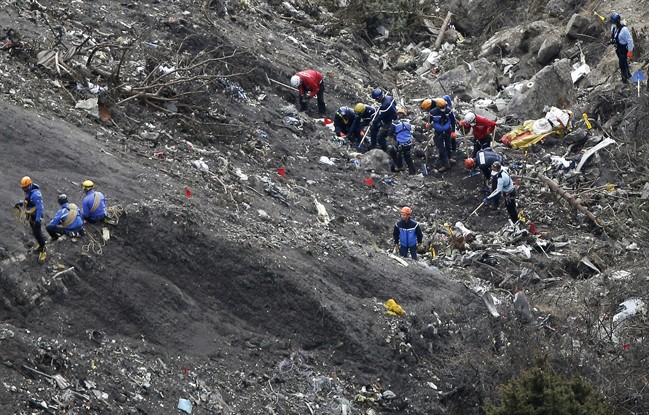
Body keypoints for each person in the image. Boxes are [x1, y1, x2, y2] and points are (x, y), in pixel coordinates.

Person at [14, 176, 47, 261]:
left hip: (35, 216)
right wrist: (21, 203)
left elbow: (40, 208)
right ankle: (41, 244)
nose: (24, 189)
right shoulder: (28, 191)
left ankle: (43, 249)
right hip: (31, 215)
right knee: (35, 232)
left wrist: (38, 220)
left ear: (30, 184)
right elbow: (28, 200)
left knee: (38, 233)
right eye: (23, 188)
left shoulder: (36, 195)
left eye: (26, 187)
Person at [426, 98, 456, 173]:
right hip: (438, 132)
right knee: (441, 148)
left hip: (447, 131)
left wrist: (453, 131)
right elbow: (430, 120)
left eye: (444, 107)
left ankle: (448, 158)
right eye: (441, 107)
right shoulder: (433, 112)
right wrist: (428, 124)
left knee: (448, 145)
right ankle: (446, 164)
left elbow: (453, 120)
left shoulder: (448, 111)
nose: (443, 109)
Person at [387, 108, 417, 175]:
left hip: (400, 144)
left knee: (393, 152)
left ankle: (399, 166)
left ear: (398, 115)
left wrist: (393, 139)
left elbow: (390, 134)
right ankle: (413, 172)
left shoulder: (395, 123)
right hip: (408, 143)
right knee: (408, 157)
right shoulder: (408, 122)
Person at [609, 12, 634, 85]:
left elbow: (630, 41)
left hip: (624, 49)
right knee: (624, 62)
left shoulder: (624, 30)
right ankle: (628, 74)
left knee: (621, 65)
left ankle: (625, 82)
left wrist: (630, 51)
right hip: (618, 49)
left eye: (613, 22)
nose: (612, 23)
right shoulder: (613, 28)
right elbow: (613, 36)